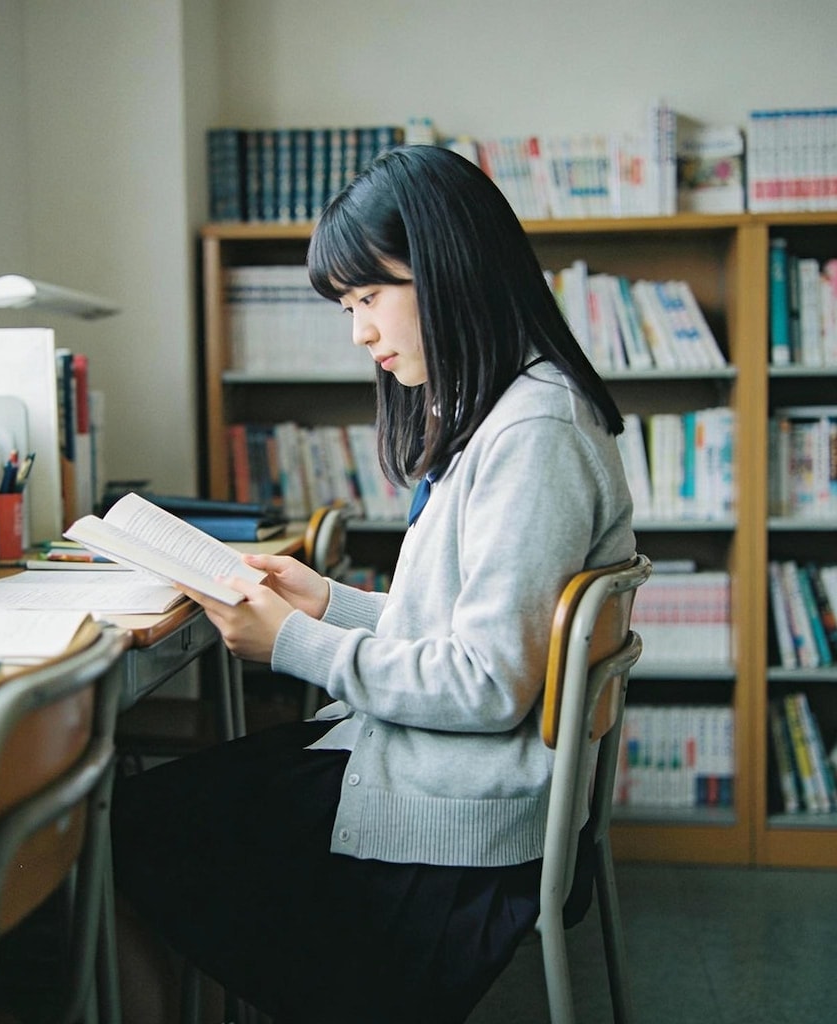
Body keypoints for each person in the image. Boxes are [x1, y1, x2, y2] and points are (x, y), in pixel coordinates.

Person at [110, 144, 635, 1024]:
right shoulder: (511, 412)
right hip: (441, 777)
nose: (359, 332)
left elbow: (485, 682)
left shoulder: (532, 436)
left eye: (368, 298)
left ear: (450, 269)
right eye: (348, 306)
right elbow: (471, 630)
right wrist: (327, 602)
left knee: (128, 829)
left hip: (457, 826)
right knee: (155, 815)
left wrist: (294, 644)